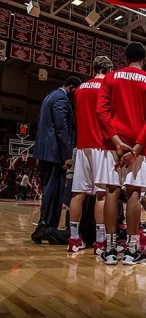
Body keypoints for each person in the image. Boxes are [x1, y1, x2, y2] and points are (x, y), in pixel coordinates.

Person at [96, 42, 146, 265]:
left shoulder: (110, 78)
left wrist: (116, 141)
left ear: (125, 58)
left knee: (112, 192)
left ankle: (111, 249)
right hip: (138, 147)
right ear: (144, 59)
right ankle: (132, 250)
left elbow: (101, 111)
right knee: (134, 194)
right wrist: (134, 149)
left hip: (112, 146)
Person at [67, 56, 113, 253]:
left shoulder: (80, 89)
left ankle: (74, 238)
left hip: (82, 144)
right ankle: (100, 242)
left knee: (78, 194)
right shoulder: (109, 87)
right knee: (101, 195)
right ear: (109, 70)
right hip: (101, 145)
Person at [31, 76, 82, 244]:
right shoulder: (61, 98)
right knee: (54, 192)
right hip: (55, 153)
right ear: (72, 88)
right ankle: (45, 227)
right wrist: (67, 155)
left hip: (44, 151)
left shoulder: (49, 96)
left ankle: (45, 226)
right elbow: (62, 128)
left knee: (49, 191)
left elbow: (41, 122)